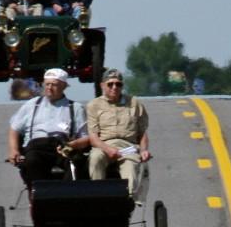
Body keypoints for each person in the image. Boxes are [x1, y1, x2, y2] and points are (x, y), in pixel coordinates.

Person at [8, 68, 90, 186]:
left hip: (63, 147)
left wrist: (72, 145)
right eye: (47, 84)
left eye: (54, 85)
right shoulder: (32, 105)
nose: (49, 88)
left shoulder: (75, 108)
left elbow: (86, 138)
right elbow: (14, 129)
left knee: (76, 163)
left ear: (64, 86)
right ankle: (41, 195)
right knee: (31, 161)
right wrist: (13, 150)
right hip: (36, 146)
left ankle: (67, 196)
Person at [86, 68, 151, 200]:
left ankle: (129, 199)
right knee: (95, 158)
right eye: (110, 84)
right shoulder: (94, 105)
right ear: (102, 85)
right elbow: (93, 137)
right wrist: (108, 149)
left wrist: (144, 150)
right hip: (104, 145)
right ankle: (98, 198)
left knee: (131, 164)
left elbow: (142, 133)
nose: (114, 87)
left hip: (128, 147)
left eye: (118, 84)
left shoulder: (134, 103)